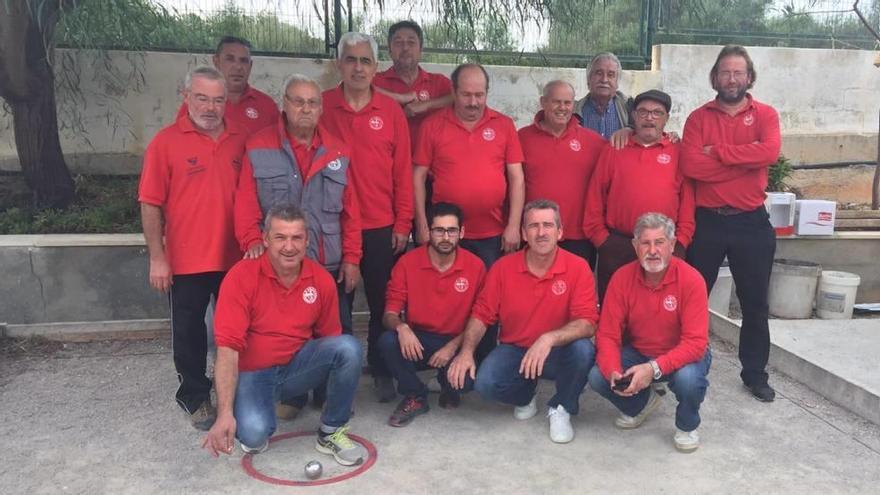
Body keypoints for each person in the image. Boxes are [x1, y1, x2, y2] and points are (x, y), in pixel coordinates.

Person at [233, 73, 363, 416]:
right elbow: (245, 202)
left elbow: (351, 210)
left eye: (312, 102)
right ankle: (291, 396)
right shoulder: (259, 145)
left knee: (336, 330)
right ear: (284, 104)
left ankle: (330, 399)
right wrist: (251, 241)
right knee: (286, 331)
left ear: (321, 109)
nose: (305, 109)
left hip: (328, 261)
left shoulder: (338, 150)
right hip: (280, 264)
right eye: (298, 101)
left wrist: (352, 257)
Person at [202, 205, 367, 466]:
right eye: (280, 237)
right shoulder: (240, 277)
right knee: (254, 437)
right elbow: (227, 350)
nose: (289, 247)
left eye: (296, 238)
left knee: (348, 348)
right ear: (265, 239)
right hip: (253, 374)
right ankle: (241, 404)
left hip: (295, 369)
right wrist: (223, 415)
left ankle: (331, 430)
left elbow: (330, 343)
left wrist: (334, 395)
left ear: (307, 240)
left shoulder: (321, 279)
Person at [138, 66, 246, 430]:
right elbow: (150, 203)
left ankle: (236, 392)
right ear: (186, 97)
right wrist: (157, 257)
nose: (211, 107)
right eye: (202, 97)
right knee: (189, 332)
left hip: (235, 257)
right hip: (186, 260)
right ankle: (195, 396)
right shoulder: (165, 143)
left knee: (237, 330)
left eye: (218, 99)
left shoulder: (238, 140)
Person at [448, 199, 599, 444]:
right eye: (534, 226)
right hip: (515, 349)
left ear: (560, 232)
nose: (541, 233)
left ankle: (561, 407)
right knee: (486, 384)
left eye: (548, 225)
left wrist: (548, 338)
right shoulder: (502, 268)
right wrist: (466, 352)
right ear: (523, 233)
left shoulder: (578, 267)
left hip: (557, 351)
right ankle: (526, 393)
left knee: (584, 350)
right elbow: (482, 314)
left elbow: (588, 323)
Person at [680, 45, 781, 402]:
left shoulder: (766, 115)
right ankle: (679, 366)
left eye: (739, 72)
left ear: (749, 77)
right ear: (715, 77)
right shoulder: (698, 118)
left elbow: (768, 154)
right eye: (726, 72)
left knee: (755, 304)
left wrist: (718, 153)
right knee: (690, 297)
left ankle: (755, 374)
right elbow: (691, 167)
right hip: (707, 222)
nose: (732, 79)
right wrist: (743, 161)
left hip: (751, 223)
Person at [319, 32, 413, 403]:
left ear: (376, 68)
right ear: (339, 64)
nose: (358, 67)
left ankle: (380, 367)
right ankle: (333, 374)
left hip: (380, 226)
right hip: (329, 225)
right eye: (351, 60)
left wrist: (403, 223)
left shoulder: (390, 113)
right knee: (333, 307)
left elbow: (402, 172)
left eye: (366, 61)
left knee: (381, 304)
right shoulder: (321, 106)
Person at [588, 212, 710, 453]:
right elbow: (608, 334)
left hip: (681, 356)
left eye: (660, 242)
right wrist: (612, 369)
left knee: (689, 380)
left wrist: (652, 369)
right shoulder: (621, 278)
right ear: (635, 246)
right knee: (598, 377)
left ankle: (686, 425)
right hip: (639, 352)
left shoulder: (692, 280)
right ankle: (641, 405)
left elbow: (696, 343)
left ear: (672, 245)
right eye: (645, 243)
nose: (652, 250)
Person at [379, 202, 486, 427]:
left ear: (462, 232)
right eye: (439, 230)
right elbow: (389, 312)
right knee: (388, 341)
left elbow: (481, 317)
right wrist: (402, 327)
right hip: (419, 338)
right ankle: (416, 395)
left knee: (465, 382)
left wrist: (454, 347)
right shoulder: (407, 263)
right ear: (428, 231)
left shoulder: (475, 266)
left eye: (452, 230)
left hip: (456, 340)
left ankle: (448, 385)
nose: (445, 237)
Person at [584, 90, 695, 302]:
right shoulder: (615, 148)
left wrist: (680, 244)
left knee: (659, 313)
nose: (649, 118)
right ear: (633, 116)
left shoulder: (678, 152)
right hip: (618, 245)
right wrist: (602, 241)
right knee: (615, 311)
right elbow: (595, 196)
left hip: (664, 246)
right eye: (643, 112)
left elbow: (687, 204)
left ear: (666, 119)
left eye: (657, 113)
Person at [413, 63, 525, 269]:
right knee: (448, 295)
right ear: (453, 93)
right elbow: (417, 177)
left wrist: (513, 226)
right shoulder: (432, 125)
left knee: (488, 295)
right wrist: (421, 224)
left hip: (492, 234)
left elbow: (517, 178)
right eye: (466, 95)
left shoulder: (504, 125)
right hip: (445, 232)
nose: (473, 102)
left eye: (479, 95)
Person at [519, 80, 605, 268]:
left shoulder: (594, 142)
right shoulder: (522, 138)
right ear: (543, 102)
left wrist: (628, 130)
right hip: (536, 232)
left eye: (567, 103)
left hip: (579, 235)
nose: (562, 108)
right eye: (556, 102)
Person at [373, 20, 453, 147]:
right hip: (388, 161)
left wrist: (427, 105)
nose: (405, 48)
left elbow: (462, 96)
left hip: (430, 163)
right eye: (398, 43)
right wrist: (400, 98)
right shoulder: (376, 81)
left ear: (421, 49)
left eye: (411, 42)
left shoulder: (438, 82)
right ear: (389, 50)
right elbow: (349, 87)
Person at [177, 36, 279, 134]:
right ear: (216, 61)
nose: (238, 67)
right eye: (230, 59)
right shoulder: (195, 104)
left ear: (250, 65)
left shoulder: (267, 106)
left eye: (243, 61)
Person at [574, 53, 630, 139]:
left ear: (617, 82)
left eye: (610, 75)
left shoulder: (630, 109)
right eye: (599, 73)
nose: (604, 80)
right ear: (588, 80)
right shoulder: (573, 111)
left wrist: (630, 129)